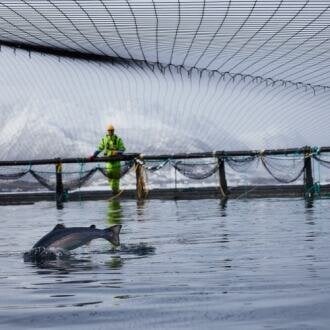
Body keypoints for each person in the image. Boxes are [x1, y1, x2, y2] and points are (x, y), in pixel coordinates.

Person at [89, 124, 125, 193]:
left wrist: (116, 152)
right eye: (109, 130)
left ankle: (115, 192)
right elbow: (100, 148)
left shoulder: (118, 139)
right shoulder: (104, 139)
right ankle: (114, 191)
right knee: (110, 178)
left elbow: (122, 149)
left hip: (116, 163)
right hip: (108, 163)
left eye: (112, 130)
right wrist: (93, 155)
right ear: (107, 131)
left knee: (116, 179)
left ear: (114, 131)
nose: (110, 132)